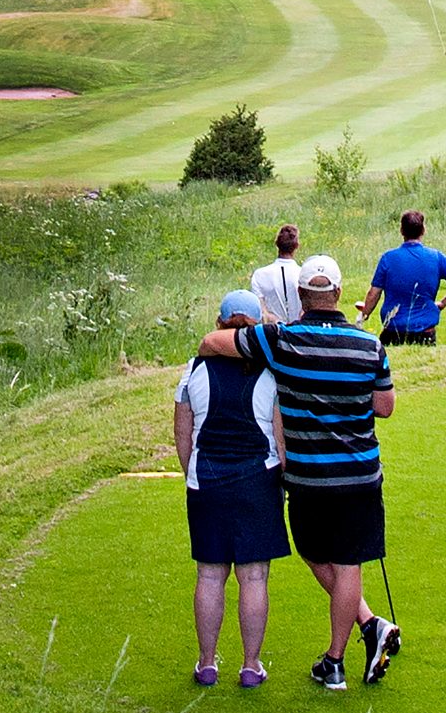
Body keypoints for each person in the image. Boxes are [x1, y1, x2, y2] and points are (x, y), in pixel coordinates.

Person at [198, 255, 401, 691]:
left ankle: (358, 637)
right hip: (360, 476)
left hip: (309, 479)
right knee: (348, 564)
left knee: (314, 553)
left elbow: (214, 341)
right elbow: (385, 407)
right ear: (339, 294)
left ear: (300, 296)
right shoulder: (369, 345)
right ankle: (342, 654)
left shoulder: (280, 340)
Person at [175, 290, 290, 689]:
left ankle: (207, 664)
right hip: (258, 479)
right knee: (254, 577)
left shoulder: (193, 369)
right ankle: (250, 665)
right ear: (257, 328)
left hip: (205, 479)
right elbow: (280, 437)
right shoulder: (272, 370)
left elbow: (183, 434)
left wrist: (192, 474)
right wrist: (283, 479)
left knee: (209, 575)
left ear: (219, 324)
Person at [359, 210, 446, 346]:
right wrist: (442, 303)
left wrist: (363, 315)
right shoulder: (435, 257)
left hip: (394, 330)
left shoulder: (388, 258)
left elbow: (374, 293)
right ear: (423, 230)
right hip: (425, 332)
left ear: (402, 231)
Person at [250, 224, 302, 323]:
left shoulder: (260, 275)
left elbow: (261, 310)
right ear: (297, 246)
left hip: (271, 329)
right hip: (299, 329)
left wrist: (276, 321)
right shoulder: (304, 274)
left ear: (277, 243)